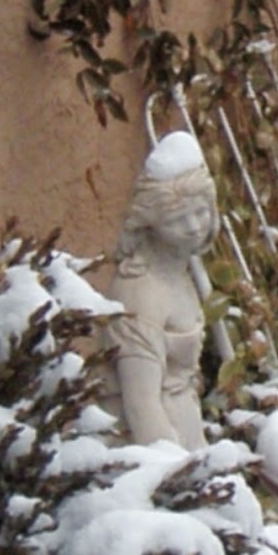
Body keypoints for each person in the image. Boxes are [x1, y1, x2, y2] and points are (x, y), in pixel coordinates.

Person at [102, 130, 219, 449]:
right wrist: (176, 476)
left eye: (200, 212)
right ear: (149, 223)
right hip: (159, 445)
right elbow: (142, 408)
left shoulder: (178, 270)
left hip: (187, 428)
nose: (194, 227)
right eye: (178, 220)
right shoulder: (140, 296)